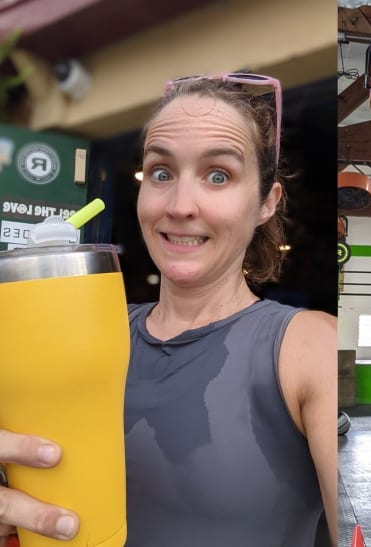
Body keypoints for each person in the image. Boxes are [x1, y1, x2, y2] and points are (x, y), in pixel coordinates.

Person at [0, 73, 337, 546]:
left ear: (266, 202)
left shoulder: (308, 347)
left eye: (218, 175)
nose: (180, 205)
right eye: (161, 173)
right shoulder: (85, 339)